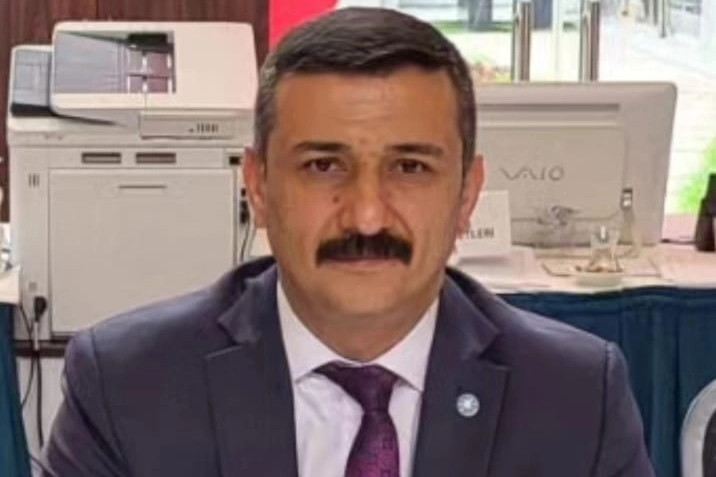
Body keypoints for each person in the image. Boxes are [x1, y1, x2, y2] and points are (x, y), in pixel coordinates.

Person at [40, 7, 655, 477]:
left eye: (410, 167)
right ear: (259, 186)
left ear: (467, 194)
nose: (365, 217)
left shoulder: (574, 397)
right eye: (323, 166)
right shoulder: (128, 387)